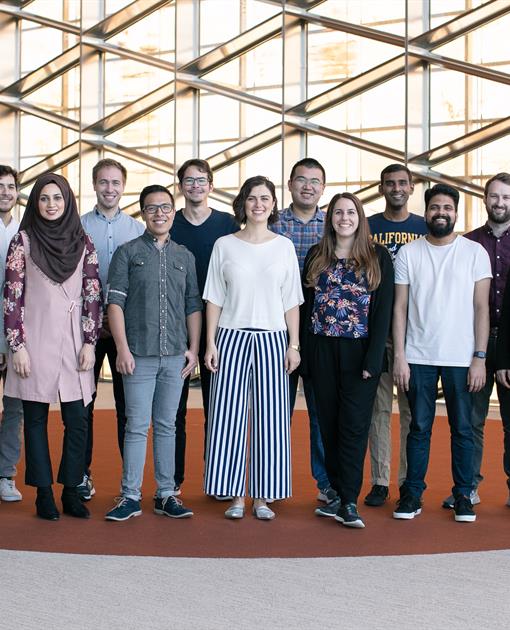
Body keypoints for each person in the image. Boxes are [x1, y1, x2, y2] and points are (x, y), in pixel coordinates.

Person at [3, 172, 102, 520]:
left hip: (75, 342)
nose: (51, 204)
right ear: (35, 202)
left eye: (57, 198)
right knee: (35, 420)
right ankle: (43, 494)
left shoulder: (84, 241)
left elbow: (92, 293)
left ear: (68, 201)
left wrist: (90, 342)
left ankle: (71, 490)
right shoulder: (23, 241)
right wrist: (17, 346)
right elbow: (12, 297)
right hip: (35, 340)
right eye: (44, 198)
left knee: (78, 420)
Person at [203, 175, 302, 520]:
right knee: (226, 417)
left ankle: (263, 496)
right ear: (243, 204)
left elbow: (292, 301)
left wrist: (294, 345)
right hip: (230, 336)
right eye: (252, 198)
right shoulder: (224, 245)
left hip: (273, 339)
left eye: (264, 198)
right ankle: (233, 495)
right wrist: (210, 342)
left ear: (273, 205)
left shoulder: (284, 247)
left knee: (271, 419)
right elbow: (214, 298)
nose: (258, 204)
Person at [392, 184, 491, 523]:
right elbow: (400, 307)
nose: (440, 213)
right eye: (435, 207)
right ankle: (412, 495)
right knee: (418, 428)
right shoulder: (409, 253)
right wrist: (400, 356)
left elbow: (481, 308)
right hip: (418, 356)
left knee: (462, 428)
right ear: (426, 211)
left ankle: (464, 495)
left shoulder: (475, 252)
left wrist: (479, 357)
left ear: (456, 213)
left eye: (447, 208)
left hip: (461, 358)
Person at [104, 185, 202, 521]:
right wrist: (122, 349)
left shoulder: (184, 256)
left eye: (165, 207)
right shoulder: (127, 253)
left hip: (175, 356)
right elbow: (115, 303)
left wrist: (193, 349)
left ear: (173, 212)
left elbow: (192, 305)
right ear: (143, 213)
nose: (159, 213)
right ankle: (130, 495)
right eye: (151, 208)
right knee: (135, 426)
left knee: (167, 426)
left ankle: (166, 494)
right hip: (139, 355)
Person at [302, 193, 394, 528]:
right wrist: (306, 358)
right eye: (338, 212)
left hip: (360, 354)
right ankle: (338, 495)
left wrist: (374, 359)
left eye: (351, 212)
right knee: (327, 426)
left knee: (353, 427)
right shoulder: (317, 255)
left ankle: (350, 501)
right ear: (330, 219)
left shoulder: (377, 256)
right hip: (321, 350)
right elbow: (306, 308)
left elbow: (383, 312)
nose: (344, 218)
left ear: (360, 217)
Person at [170, 159, 238, 496]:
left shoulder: (227, 223)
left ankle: (219, 479)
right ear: (180, 186)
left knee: (219, 408)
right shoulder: (170, 222)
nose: (195, 185)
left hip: (219, 325)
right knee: (175, 409)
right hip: (176, 325)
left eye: (201, 180)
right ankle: (173, 480)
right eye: (189, 180)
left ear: (211, 185)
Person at [443, 172, 510, 509]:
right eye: (494, 196)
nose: (500, 202)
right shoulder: (466, 244)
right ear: (484, 199)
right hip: (474, 344)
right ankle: (468, 486)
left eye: (506, 197)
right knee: (470, 421)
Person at [270, 158, 335, 504]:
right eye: (301, 180)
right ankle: (271, 480)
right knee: (275, 410)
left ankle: (325, 482)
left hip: (321, 329)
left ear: (323, 187)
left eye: (315, 181)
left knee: (321, 412)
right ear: (290, 184)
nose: (308, 186)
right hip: (276, 327)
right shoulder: (273, 223)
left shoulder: (334, 224)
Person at [80, 158, 144, 501]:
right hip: (84, 332)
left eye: (115, 182)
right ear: (94, 185)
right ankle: (81, 475)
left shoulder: (137, 230)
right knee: (82, 406)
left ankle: (129, 483)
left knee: (128, 409)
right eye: (103, 182)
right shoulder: (77, 226)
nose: (109, 188)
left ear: (123, 186)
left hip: (124, 334)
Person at [365, 164, 427, 507]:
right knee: (377, 410)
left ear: (412, 187)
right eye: (390, 183)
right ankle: (379, 480)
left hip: (414, 333)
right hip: (377, 331)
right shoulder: (368, 227)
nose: (397, 188)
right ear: (381, 188)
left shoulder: (423, 227)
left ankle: (406, 480)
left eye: (403, 183)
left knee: (410, 412)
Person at [0, 166, 24, 503]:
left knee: (15, 408)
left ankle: (5, 474)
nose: (5, 192)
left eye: (10, 186)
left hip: (18, 333)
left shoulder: (26, 231)